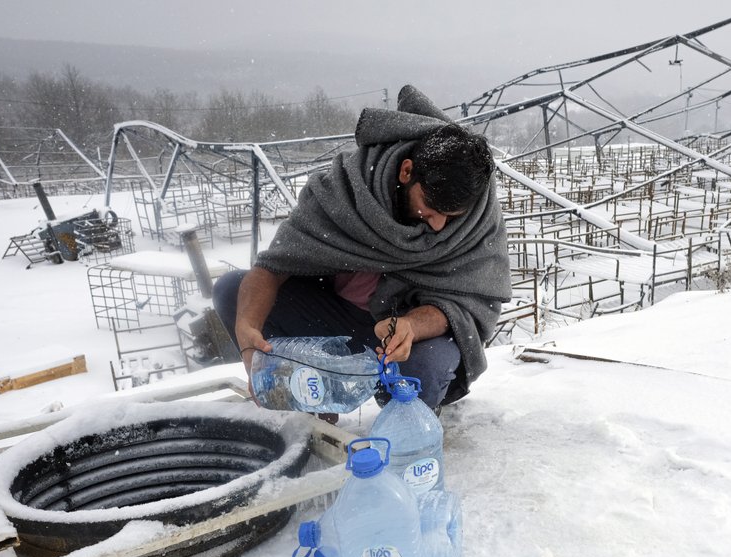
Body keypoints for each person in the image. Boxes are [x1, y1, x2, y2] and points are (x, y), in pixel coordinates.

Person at [213, 85, 511, 411]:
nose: (438, 226)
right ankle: (310, 399)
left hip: (408, 336)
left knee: (424, 371)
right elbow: (273, 268)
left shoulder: (477, 219)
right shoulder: (348, 191)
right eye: (430, 206)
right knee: (232, 291)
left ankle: (404, 416)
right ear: (406, 170)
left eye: (450, 218)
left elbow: (467, 304)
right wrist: (246, 333)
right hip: (332, 322)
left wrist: (411, 326)